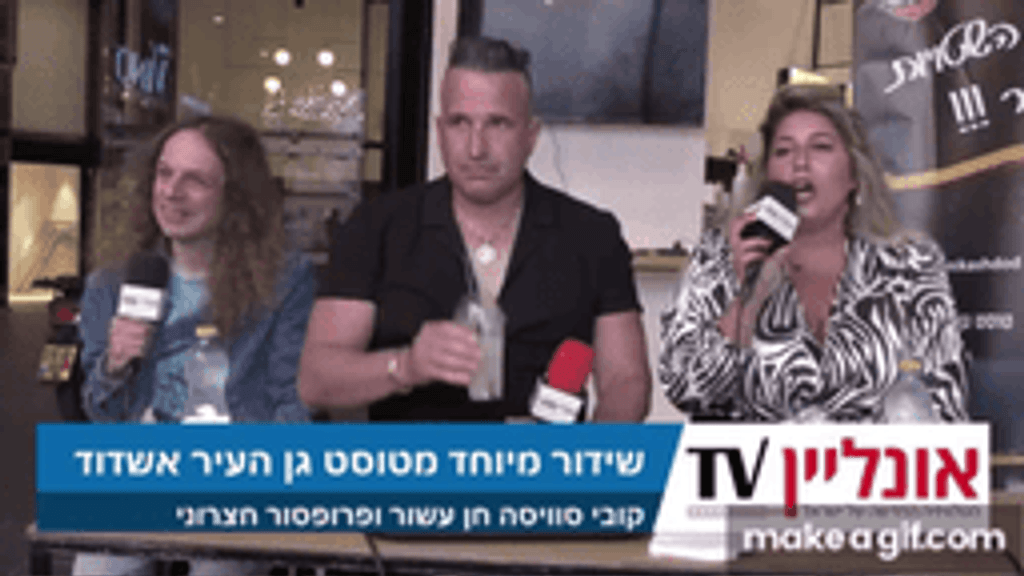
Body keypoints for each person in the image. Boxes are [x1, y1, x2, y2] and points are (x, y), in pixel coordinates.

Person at [299, 36, 651, 421]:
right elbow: (316, 380)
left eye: (497, 124)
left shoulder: (592, 236)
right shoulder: (375, 227)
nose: (476, 148)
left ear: (530, 136)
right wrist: (407, 365)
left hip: (546, 459)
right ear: (439, 132)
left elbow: (626, 381)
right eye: (459, 123)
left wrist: (592, 456)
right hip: (414, 459)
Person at [74, 116, 315, 575]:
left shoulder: (284, 282)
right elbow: (102, 414)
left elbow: (292, 398)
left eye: (195, 181)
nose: (172, 192)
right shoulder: (112, 283)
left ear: (235, 196)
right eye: (164, 174)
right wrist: (115, 365)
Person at [659, 84, 968, 423]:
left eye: (820, 147)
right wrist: (746, 298)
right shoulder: (718, 258)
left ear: (854, 174)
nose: (800, 163)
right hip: (755, 457)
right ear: (767, 175)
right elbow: (685, 390)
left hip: (874, 457)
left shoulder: (911, 266)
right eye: (783, 151)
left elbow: (946, 407)